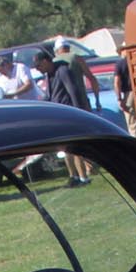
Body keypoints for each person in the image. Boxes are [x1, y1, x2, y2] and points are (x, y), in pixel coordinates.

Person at [35, 49, 94, 186]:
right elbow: (50, 96)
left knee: (75, 148)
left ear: (45, 61)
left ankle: (83, 177)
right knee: (64, 148)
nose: (38, 69)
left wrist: (77, 113)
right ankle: (73, 176)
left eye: (38, 66)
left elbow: (73, 91)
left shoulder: (62, 71)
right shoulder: (49, 75)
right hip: (58, 117)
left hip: (69, 115)